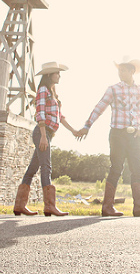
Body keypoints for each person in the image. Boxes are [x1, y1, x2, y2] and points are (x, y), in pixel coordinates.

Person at [77, 56, 140, 217]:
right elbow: (99, 107)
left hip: (134, 135)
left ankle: (139, 206)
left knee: (138, 169)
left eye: (123, 70)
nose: (120, 73)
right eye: (119, 70)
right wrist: (87, 125)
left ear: (131, 71)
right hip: (117, 134)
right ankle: (107, 206)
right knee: (116, 168)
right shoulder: (113, 89)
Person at [13, 61, 84, 217]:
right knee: (46, 167)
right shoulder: (43, 90)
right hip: (42, 133)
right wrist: (44, 136)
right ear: (49, 75)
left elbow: (60, 117)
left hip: (47, 134)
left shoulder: (53, 94)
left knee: (32, 169)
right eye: (57, 73)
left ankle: (19, 206)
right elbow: (40, 113)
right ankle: (50, 206)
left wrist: (73, 131)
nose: (59, 76)